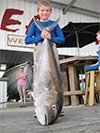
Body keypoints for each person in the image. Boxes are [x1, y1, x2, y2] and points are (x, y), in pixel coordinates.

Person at [25, 0, 65, 116]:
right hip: (40, 48)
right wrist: (40, 36)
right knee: (38, 78)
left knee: (55, 77)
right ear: (38, 11)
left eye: (47, 10)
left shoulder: (55, 25)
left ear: (50, 12)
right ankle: (38, 107)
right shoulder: (34, 24)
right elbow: (27, 40)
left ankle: (56, 105)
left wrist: (51, 37)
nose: (45, 12)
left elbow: (62, 39)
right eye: (42, 10)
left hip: (52, 48)